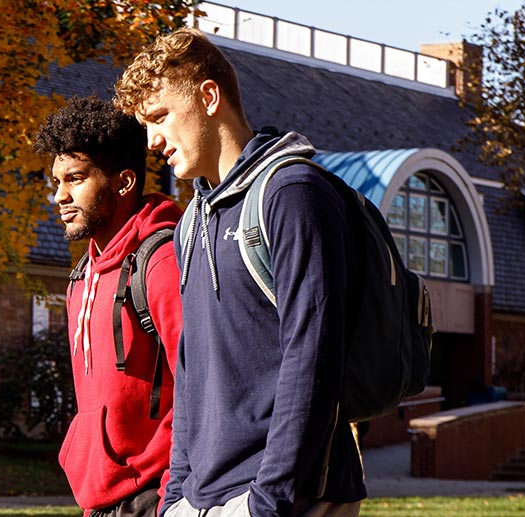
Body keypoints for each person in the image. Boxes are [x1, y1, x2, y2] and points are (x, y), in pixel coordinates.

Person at [112, 28, 364, 517]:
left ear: (209, 97)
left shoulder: (293, 194)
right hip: (201, 500)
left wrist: (269, 501)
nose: (153, 141)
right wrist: (177, 496)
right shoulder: (191, 223)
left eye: (160, 117)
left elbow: (313, 357)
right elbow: (189, 368)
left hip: (285, 499)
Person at [34, 96, 184, 517]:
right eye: (57, 181)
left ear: (123, 183)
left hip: (153, 495)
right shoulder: (83, 275)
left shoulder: (161, 261)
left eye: (76, 179)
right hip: (98, 497)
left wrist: (171, 496)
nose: (60, 196)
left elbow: (203, 385)